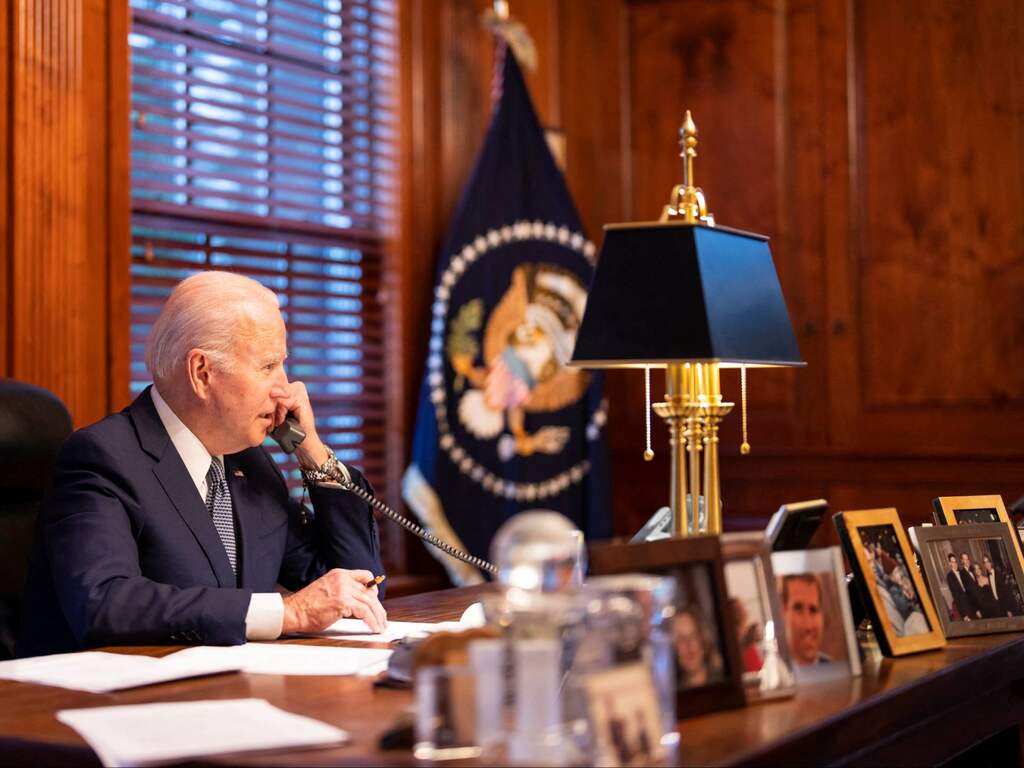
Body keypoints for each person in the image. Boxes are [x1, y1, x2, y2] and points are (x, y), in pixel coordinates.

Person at [17, 272, 387, 657]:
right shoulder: (102, 457)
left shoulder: (251, 465)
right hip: (98, 690)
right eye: (267, 367)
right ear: (202, 373)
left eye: (283, 365)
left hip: (226, 686)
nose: (286, 389)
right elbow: (105, 603)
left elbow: (357, 591)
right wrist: (288, 612)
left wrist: (313, 453)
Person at [780, 574, 830, 665]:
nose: (808, 626)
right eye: (798, 609)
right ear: (783, 613)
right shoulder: (773, 671)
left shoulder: (834, 667)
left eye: (813, 610)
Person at [673, 605, 722, 688]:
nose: (688, 644)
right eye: (681, 639)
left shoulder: (722, 683)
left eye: (693, 636)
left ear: (703, 640)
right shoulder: (673, 693)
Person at [945, 553, 977, 621]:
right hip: (964, 608)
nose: (955, 564)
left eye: (955, 562)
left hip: (972, 604)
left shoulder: (962, 571)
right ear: (950, 563)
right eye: (952, 562)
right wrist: (963, 614)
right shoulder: (949, 577)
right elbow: (956, 597)